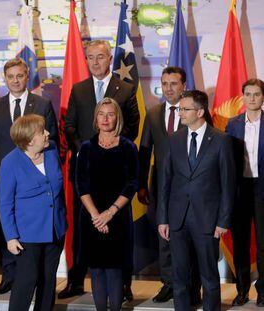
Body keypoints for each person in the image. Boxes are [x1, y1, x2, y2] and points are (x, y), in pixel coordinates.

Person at [62, 39, 139, 301]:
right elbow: (69, 125)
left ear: (109, 59)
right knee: (84, 229)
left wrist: (110, 145)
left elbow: (132, 126)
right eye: (90, 57)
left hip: (116, 174)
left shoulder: (126, 88)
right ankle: (76, 280)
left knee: (118, 239)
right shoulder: (79, 88)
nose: (95, 62)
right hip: (86, 172)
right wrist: (85, 149)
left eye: (100, 57)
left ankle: (124, 285)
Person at [0, 57, 59, 295]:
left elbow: (53, 139)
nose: (15, 80)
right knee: (8, 224)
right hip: (5, 177)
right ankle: (8, 275)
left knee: (32, 230)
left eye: (20, 75)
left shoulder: (42, 104)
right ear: (5, 79)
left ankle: (32, 277)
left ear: (27, 77)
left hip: (35, 178)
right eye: (11, 76)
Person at [158, 90, 236, 311]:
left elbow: (228, 186)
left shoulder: (221, 141)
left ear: (200, 111)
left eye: (185, 109)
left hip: (208, 221)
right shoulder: (173, 140)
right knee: (180, 276)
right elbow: (165, 182)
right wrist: (163, 219)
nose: (180, 112)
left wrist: (223, 221)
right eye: (180, 109)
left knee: (209, 277)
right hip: (177, 220)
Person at [138, 66, 201, 304]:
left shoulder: (195, 112)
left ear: (184, 85)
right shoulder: (153, 113)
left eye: (173, 84)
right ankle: (169, 284)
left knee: (190, 237)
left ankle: (192, 287)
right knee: (163, 236)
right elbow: (145, 151)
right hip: (160, 186)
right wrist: (141, 185)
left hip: (189, 186)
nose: (168, 88)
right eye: (164, 84)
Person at [0, 114, 66, 311]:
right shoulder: (10, 163)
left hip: (55, 230)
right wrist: (11, 237)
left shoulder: (51, 150)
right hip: (27, 235)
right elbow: (5, 203)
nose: (47, 134)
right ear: (29, 140)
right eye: (42, 132)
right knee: (27, 282)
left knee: (48, 283)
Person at [76, 98, 138, 311]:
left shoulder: (128, 147)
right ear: (95, 117)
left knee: (114, 269)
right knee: (97, 269)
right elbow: (81, 185)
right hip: (92, 217)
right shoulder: (86, 147)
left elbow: (132, 184)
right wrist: (96, 216)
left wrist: (109, 213)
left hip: (117, 216)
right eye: (101, 114)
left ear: (117, 118)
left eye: (110, 114)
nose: (105, 118)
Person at [226, 78, 264, 307]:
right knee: (240, 242)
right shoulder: (233, 124)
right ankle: (242, 290)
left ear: (262, 97)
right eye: (248, 94)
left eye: (256, 94)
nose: (251, 98)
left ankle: (263, 291)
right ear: (242, 97)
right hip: (240, 190)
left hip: (262, 188)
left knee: (263, 244)